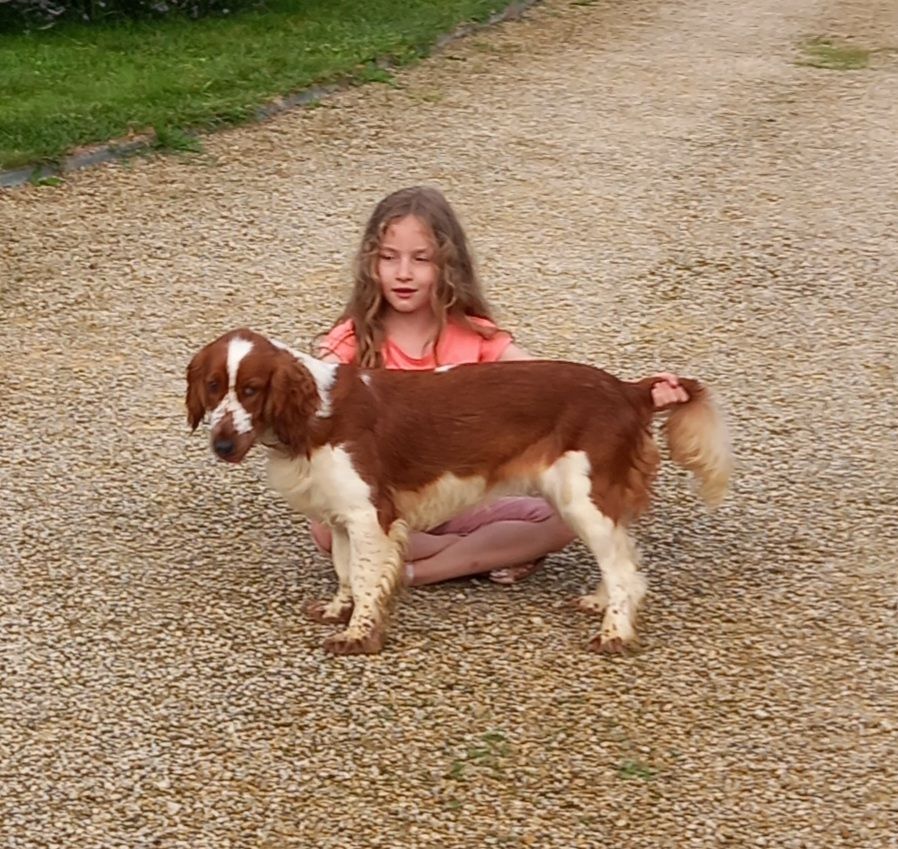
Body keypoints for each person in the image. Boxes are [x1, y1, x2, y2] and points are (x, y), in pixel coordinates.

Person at [312, 186, 687, 587]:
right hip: (388, 499)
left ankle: (418, 572)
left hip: (466, 495)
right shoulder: (348, 343)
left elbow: (553, 388)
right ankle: (481, 552)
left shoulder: (476, 337)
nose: (404, 273)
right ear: (371, 264)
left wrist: (638, 395)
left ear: (448, 266)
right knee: (325, 529)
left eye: (421, 259)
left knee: (562, 522)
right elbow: (315, 413)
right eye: (389, 258)